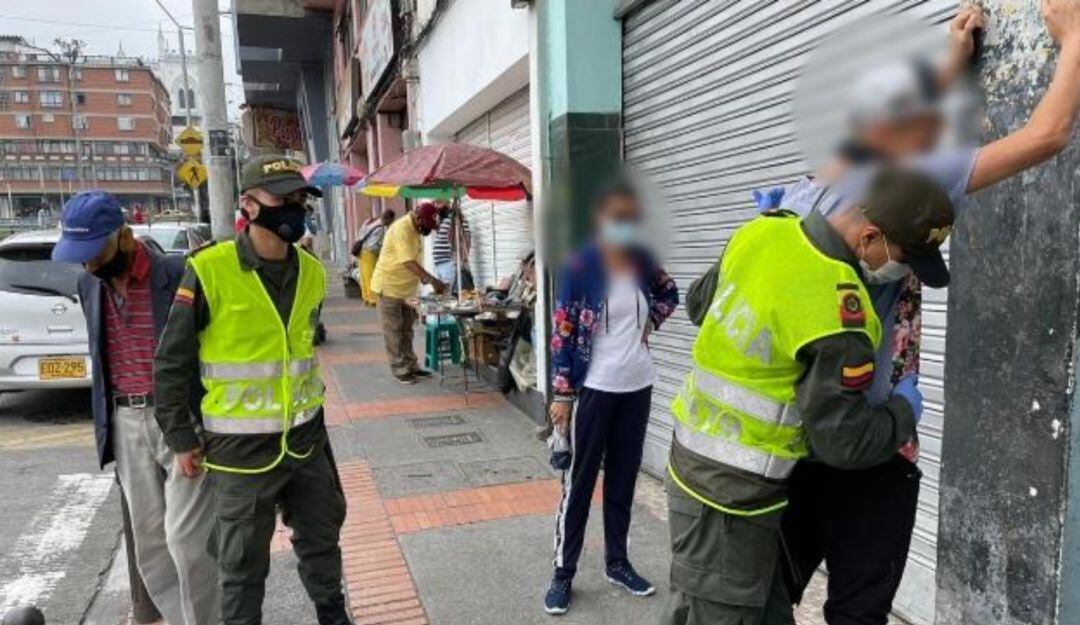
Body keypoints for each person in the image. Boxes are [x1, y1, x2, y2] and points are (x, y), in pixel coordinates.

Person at [765, 4, 1080, 623]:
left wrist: (950, 63)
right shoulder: (913, 180)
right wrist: (1073, 40)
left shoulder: (809, 189)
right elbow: (1046, 135)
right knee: (859, 610)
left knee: (769, 599)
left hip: (791, 445)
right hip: (874, 446)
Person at [663, 167, 952, 625]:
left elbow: (699, 305)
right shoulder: (841, 308)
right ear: (870, 236)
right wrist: (903, 409)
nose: (903, 272)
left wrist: (755, 245)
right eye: (903, 258)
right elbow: (846, 441)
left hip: (697, 471)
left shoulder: (764, 230)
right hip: (732, 501)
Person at [153, 155, 350, 625]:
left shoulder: (313, 271)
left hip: (305, 444)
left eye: (300, 199)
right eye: (282, 199)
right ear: (248, 203)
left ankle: (334, 615)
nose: (293, 209)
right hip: (238, 454)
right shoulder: (209, 270)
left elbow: (301, 348)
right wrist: (180, 436)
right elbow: (171, 362)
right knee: (241, 566)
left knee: (323, 540)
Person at [51, 190, 218, 625]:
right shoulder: (88, 284)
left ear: (124, 237)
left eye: (93, 252)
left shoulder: (179, 274)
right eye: (79, 255)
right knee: (149, 542)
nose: (87, 264)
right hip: (125, 421)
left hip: (178, 421)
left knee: (187, 540)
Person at [543, 181, 679, 616]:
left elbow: (669, 293)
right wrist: (562, 396)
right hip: (594, 390)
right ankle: (563, 574)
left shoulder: (641, 261)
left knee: (622, 480)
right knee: (579, 484)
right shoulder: (580, 267)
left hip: (637, 386)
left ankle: (617, 563)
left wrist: (650, 325)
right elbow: (562, 334)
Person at [369, 201, 446, 384]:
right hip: (389, 287)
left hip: (407, 290)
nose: (429, 231)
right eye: (428, 226)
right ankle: (399, 369)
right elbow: (408, 262)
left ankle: (411, 365)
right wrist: (433, 281)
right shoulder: (402, 228)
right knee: (394, 331)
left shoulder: (416, 229)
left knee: (407, 330)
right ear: (419, 219)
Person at [355, 209, 395, 307]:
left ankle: (366, 297)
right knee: (372, 277)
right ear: (389, 219)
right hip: (369, 253)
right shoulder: (380, 228)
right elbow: (374, 245)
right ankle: (373, 300)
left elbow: (360, 235)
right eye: (392, 221)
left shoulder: (369, 221)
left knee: (364, 276)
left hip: (361, 251)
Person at [432, 207, 472, 292]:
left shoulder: (455, 220)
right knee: (444, 294)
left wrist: (461, 262)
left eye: (438, 203)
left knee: (449, 294)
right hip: (443, 265)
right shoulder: (447, 220)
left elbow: (465, 242)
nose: (436, 205)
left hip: (449, 264)